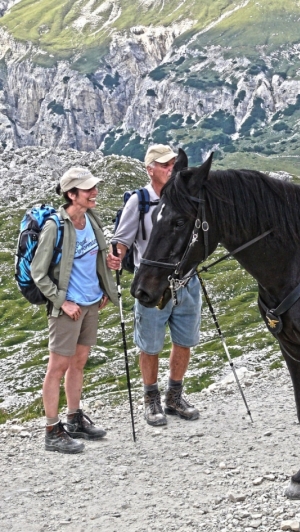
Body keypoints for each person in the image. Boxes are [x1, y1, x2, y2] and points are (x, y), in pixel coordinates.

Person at [108, 144, 201, 426]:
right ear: (150, 169)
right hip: (152, 286)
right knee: (150, 345)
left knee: (184, 341)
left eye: (173, 163)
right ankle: (151, 400)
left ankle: (174, 396)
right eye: (163, 164)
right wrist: (117, 256)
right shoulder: (139, 201)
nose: (170, 168)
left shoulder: (184, 197)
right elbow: (122, 240)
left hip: (187, 282)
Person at [32, 167, 118, 454]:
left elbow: (97, 258)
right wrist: (61, 301)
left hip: (92, 303)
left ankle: (74, 419)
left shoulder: (90, 219)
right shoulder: (55, 226)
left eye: (94, 187)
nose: (94, 192)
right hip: (68, 310)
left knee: (79, 363)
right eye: (87, 189)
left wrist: (107, 284)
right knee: (57, 368)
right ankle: (51, 431)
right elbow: (38, 272)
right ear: (71, 194)